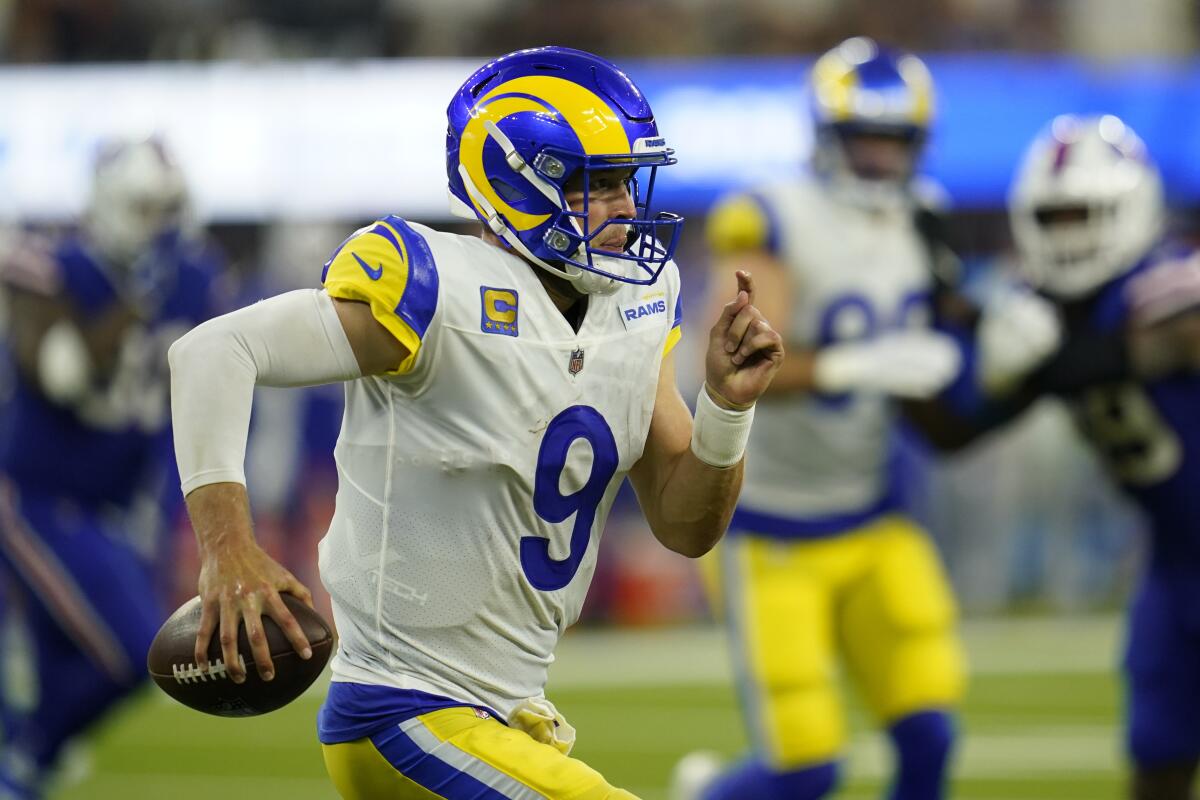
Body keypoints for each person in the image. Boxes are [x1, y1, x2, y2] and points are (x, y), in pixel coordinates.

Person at [168, 46, 783, 799]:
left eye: (629, 180)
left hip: (511, 715)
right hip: (402, 707)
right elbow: (213, 350)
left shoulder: (638, 303)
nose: (627, 206)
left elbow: (688, 527)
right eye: (599, 185)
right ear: (518, 185)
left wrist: (726, 407)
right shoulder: (432, 291)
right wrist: (227, 547)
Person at [672, 37, 966, 800]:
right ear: (827, 135)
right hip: (771, 527)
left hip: (874, 512)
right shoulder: (771, 215)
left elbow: (951, 341)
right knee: (807, 767)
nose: (878, 160)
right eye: (863, 139)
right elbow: (735, 359)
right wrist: (851, 365)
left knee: (931, 731)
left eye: (893, 142)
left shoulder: (926, 220)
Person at [969, 113, 1200, 800]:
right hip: (1174, 564)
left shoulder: (1169, 281)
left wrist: (1051, 361)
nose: (1070, 233)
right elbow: (958, 426)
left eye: (1086, 213)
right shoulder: (1040, 314)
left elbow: (1172, 333)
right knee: (1156, 762)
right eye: (1056, 216)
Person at [0, 137, 221, 799]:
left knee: (73, 660)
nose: (158, 224)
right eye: (144, 207)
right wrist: (133, 302)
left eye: (168, 208)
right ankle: (27, 752)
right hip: (36, 494)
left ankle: (27, 761)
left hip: (116, 502)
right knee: (131, 654)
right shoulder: (59, 267)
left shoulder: (197, 276)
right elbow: (59, 373)